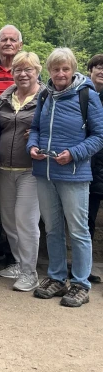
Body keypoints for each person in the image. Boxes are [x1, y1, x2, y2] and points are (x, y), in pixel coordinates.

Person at [29, 48, 103, 307]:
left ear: (73, 70)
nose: (60, 74)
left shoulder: (86, 95)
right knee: (53, 229)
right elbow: (36, 128)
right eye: (56, 69)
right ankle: (57, 278)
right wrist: (32, 147)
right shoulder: (45, 95)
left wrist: (73, 154)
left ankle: (81, 283)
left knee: (79, 230)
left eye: (65, 69)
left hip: (73, 174)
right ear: (49, 71)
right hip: (45, 172)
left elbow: (99, 137)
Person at [0, 51, 45, 292]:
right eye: (18, 70)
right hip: (5, 167)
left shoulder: (47, 98)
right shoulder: (5, 98)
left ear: (38, 71)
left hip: (31, 170)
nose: (23, 74)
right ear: (12, 73)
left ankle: (30, 272)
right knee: (9, 221)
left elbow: (59, 128)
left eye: (29, 69)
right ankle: (18, 263)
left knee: (26, 221)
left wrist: (40, 136)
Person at [87, 54, 103, 247]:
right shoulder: (81, 94)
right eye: (98, 67)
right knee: (87, 219)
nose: (101, 71)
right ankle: (84, 265)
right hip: (88, 167)